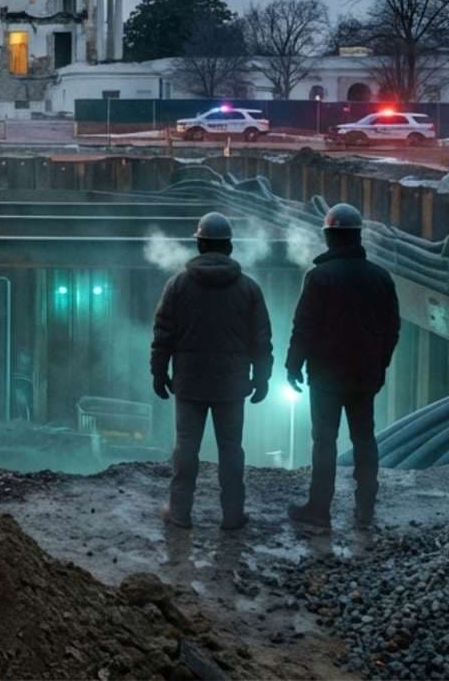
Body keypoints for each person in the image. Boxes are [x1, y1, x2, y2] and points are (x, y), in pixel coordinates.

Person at [151, 211, 273, 530]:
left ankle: (180, 513)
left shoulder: (177, 285)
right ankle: (232, 515)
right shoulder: (248, 289)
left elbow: (163, 334)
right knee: (231, 450)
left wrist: (158, 371)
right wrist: (261, 379)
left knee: (186, 449)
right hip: (231, 386)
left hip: (189, 384)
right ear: (229, 247)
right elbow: (261, 340)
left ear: (200, 245)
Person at [286, 203, 401, 530]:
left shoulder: (319, 278)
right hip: (364, 375)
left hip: (325, 376)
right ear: (357, 236)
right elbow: (392, 328)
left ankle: (319, 510)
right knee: (364, 438)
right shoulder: (380, 277)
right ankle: (365, 510)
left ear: (329, 237)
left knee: (325, 440)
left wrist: (293, 366)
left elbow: (304, 327)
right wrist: (381, 364)